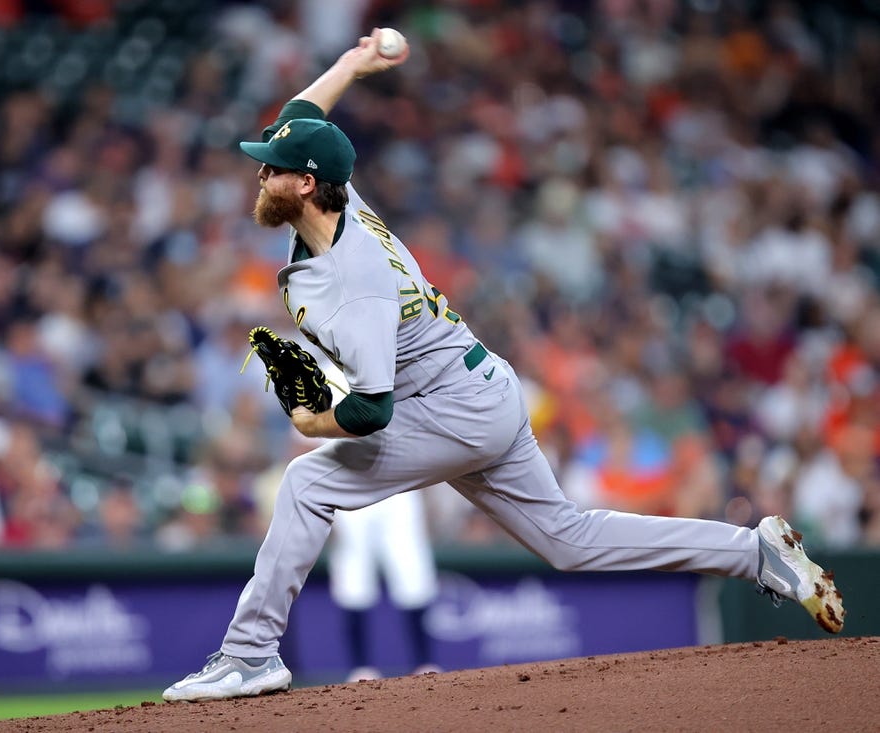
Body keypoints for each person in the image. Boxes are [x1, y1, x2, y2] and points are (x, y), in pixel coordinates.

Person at [162, 30, 845, 703]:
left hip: (450, 406)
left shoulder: (354, 277)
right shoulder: (341, 205)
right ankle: (754, 553)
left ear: (306, 185)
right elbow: (298, 120)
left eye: (272, 169)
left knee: (309, 482)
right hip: (477, 388)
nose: (260, 173)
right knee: (569, 540)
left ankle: (249, 654)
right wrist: (351, 63)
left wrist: (310, 415)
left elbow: (371, 410)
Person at [329, 490, 440, 682]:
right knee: (353, 578)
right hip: (351, 482)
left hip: (400, 486)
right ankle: (360, 667)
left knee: (412, 574)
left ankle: (424, 662)